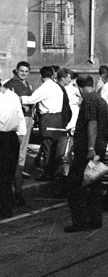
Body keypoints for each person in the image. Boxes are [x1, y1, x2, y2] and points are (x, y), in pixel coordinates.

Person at [64, 76, 108, 233]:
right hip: (100, 149)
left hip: (87, 151)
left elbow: (92, 124)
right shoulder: (101, 101)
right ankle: (95, 219)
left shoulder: (89, 100)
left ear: (80, 88)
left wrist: (90, 148)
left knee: (75, 186)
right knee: (94, 185)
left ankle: (79, 221)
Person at [21, 66, 66, 182]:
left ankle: (47, 173)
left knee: (47, 146)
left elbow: (31, 99)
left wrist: (18, 98)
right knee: (54, 147)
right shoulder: (57, 87)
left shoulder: (45, 87)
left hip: (47, 118)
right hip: (58, 118)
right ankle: (53, 172)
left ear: (41, 76)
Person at [3, 61, 34, 206]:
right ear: (16, 70)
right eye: (21, 71)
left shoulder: (26, 84)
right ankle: (17, 192)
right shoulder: (11, 85)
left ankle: (16, 192)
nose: (23, 73)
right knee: (16, 158)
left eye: (26, 71)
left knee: (19, 157)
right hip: (18, 123)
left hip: (24, 121)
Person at [0, 82, 24, 218]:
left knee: (3, 174)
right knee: (7, 174)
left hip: (3, 137)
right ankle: (7, 206)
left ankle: (4, 207)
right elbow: (20, 119)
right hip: (12, 137)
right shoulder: (13, 96)